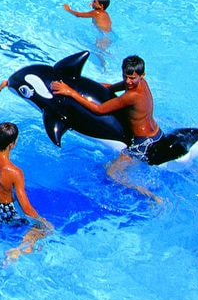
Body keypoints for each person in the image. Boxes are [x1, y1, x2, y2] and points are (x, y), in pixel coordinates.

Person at [51, 55, 162, 201]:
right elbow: (112, 88)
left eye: (132, 78)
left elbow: (99, 110)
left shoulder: (133, 96)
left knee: (111, 174)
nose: (128, 81)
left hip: (142, 144)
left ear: (142, 75)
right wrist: (86, 86)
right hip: (157, 134)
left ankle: (151, 197)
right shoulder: (141, 83)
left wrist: (70, 92)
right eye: (125, 77)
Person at [0, 122, 52, 262]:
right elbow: (26, 208)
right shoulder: (15, 172)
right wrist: (41, 220)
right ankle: (17, 251)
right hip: (6, 212)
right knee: (45, 229)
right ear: (12, 145)